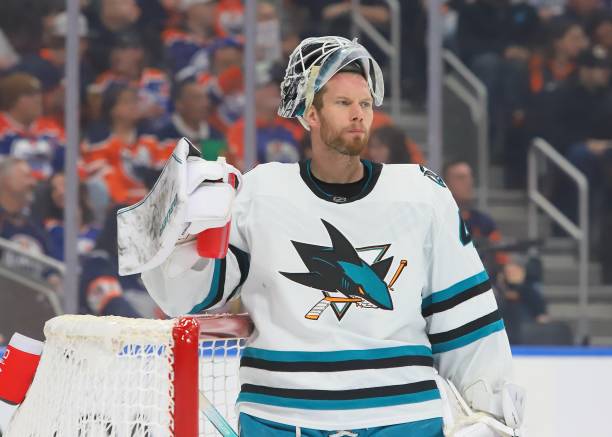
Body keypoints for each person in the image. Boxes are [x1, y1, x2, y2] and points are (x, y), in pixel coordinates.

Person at [138, 36, 523, 435]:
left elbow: (466, 318)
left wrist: (491, 414)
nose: (358, 114)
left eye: (366, 104)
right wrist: (185, 234)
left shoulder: (422, 195)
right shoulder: (259, 192)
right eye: (343, 103)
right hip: (280, 418)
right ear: (311, 114)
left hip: (400, 418)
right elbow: (183, 298)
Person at [443, 160, 549, 343]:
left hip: (487, 279)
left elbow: (500, 254)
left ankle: (535, 333)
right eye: (460, 178)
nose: (468, 183)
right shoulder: (439, 217)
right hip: (452, 284)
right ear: (445, 183)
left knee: (524, 279)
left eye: (470, 177)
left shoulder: (482, 221)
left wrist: (508, 269)